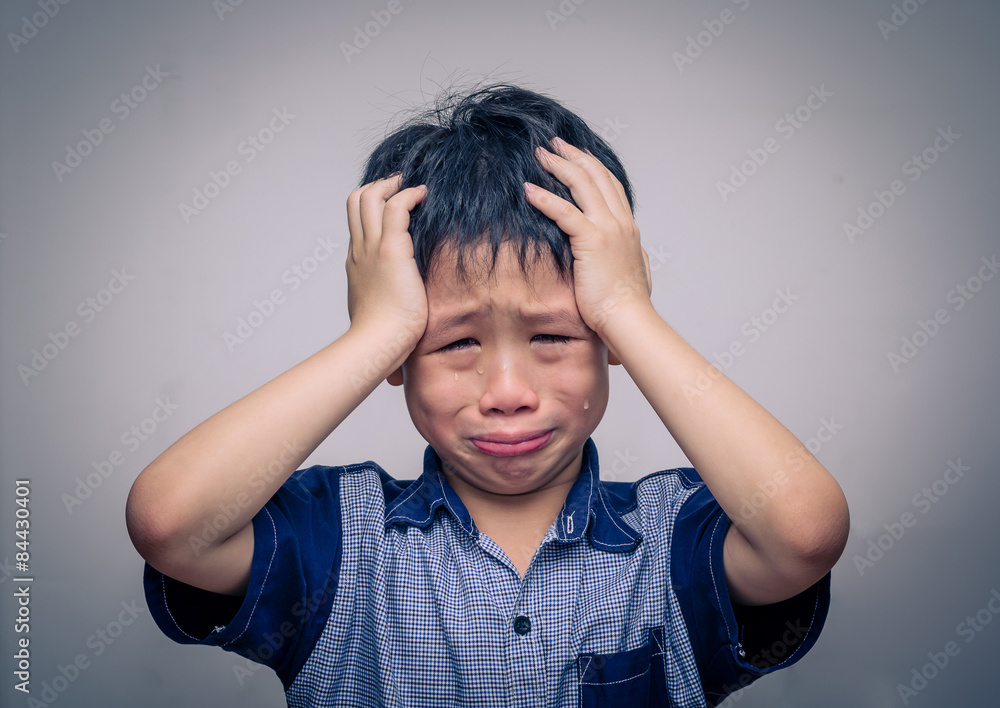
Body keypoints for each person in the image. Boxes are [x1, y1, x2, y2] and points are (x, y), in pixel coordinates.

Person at [126, 82, 850, 707]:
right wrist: (373, 333)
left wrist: (629, 310)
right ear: (400, 350)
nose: (507, 393)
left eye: (554, 337)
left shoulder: (673, 540)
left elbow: (805, 533)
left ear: (610, 340)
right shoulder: (339, 543)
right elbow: (169, 522)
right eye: (454, 342)